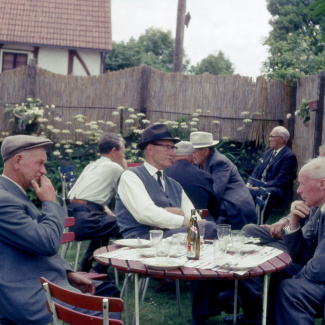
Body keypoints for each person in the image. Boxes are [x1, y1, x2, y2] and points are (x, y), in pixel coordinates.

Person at [0, 135, 120, 325]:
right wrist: (49, 202)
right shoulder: (4, 200)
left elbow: (28, 244)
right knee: (106, 306)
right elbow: (47, 242)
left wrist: (67, 272)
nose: (44, 170)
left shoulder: (12, 194)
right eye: (39, 163)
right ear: (17, 161)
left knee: (108, 291)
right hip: (27, 297)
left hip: (37, 280)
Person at [115, 124, 218, 324]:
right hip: (143, 241)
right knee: (210, 230)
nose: (173, 152)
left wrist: (176, 216)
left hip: (169, 238)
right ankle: (212, 300)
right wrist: (181, 217)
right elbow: (146, 214)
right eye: (167, 147)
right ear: (150, 149)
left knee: (209, 229)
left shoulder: (174, 184)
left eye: (174, 148)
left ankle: (208, 300)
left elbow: (193, 217)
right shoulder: (130, 176)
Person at [225, 156, 325, 325]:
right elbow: (304, 254)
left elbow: (319, 269)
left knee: (289, 289)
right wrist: (292, 223)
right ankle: (258, 316)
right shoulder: (317, 209)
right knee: (277, 271)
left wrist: (297, 277)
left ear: (322, 184)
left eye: (302, 183)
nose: (299, 191)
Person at [67, 133, 125, 272]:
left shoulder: (91, 166)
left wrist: (108, 211)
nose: (123, 156)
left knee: (108, 223)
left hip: (73, 217)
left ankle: (86, 266)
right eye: (123, 152)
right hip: (86, 219)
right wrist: (125, 168)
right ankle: (102, 267)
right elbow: (129, 191)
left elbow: (91, 197)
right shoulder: (114, 167)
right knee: (126, 225)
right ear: (113, 151)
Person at [190, 131, 257, 229]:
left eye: (194, 151)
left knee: (206, 224)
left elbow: (215, 193)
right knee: (197, 217)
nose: (191, 154)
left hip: (234, 207)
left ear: (205, 151)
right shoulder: (200, 162)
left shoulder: (219, 162)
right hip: (222, 204)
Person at [246, 126, 298, 219]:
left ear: (282, 139)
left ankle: (259, 222)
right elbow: (256, 171)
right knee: (243, 188)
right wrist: (249, 183)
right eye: (269, 136)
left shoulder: (289, 156)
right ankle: (246, 218)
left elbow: (280, 182)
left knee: (263, 192)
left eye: (272, 136)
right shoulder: (268, 152)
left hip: (278, 190)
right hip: (263, 185)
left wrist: (260, 187)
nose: (269, 139)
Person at [164, 140, 221, 223]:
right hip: (201, 224)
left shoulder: (163, 173)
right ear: (192, 157)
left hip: (172, 223)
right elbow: (215, 207)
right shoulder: (204, 176)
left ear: (173, 155)